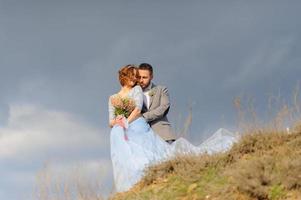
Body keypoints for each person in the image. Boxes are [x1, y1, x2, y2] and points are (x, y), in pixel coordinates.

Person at [108, 65, 170, 192]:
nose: (137, 79)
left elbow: (138, 109)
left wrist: (126, 122)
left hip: (139, 125)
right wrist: (117, 121)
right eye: (134, 75)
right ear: (124, 77)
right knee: (131, 158)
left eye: (138, 76)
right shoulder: (113, 98)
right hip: (123, 130)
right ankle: (134, 186)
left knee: (152, 154)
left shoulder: (138, 90)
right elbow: (110, 121)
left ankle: (158, 180)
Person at [138, 63, 176, 144]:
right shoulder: (133, 93)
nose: (141, 80)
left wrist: (143, 117)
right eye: (139, 77)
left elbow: (164, 108)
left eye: (144, 77)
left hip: (163, 135)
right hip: (142, 138)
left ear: (151, 77)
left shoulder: (161, 89)